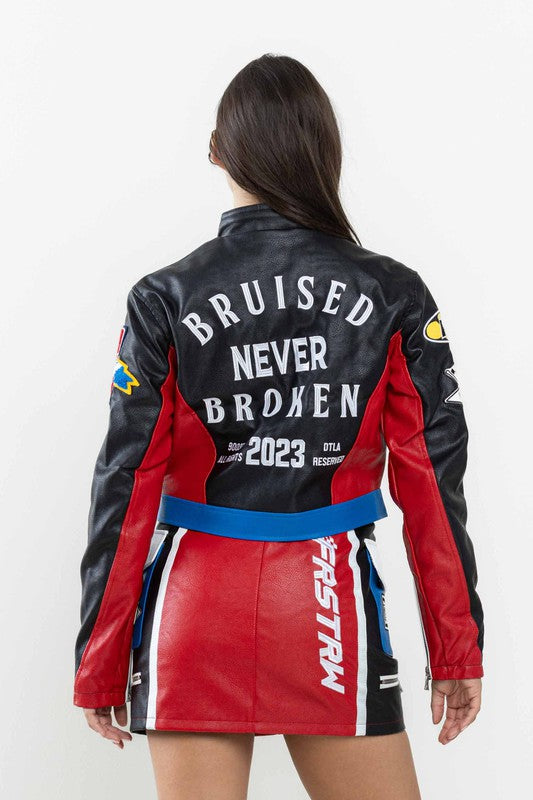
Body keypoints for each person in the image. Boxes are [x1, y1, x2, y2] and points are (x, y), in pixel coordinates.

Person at [73, 53, 484, 800]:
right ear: (324, 151)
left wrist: (99, 660)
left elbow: (124, 483)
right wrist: (456, 648)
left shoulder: (162, 297)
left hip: (195, 605)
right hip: (326, 602)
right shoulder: (393, 292)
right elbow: (432, 478)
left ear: (216, 151)